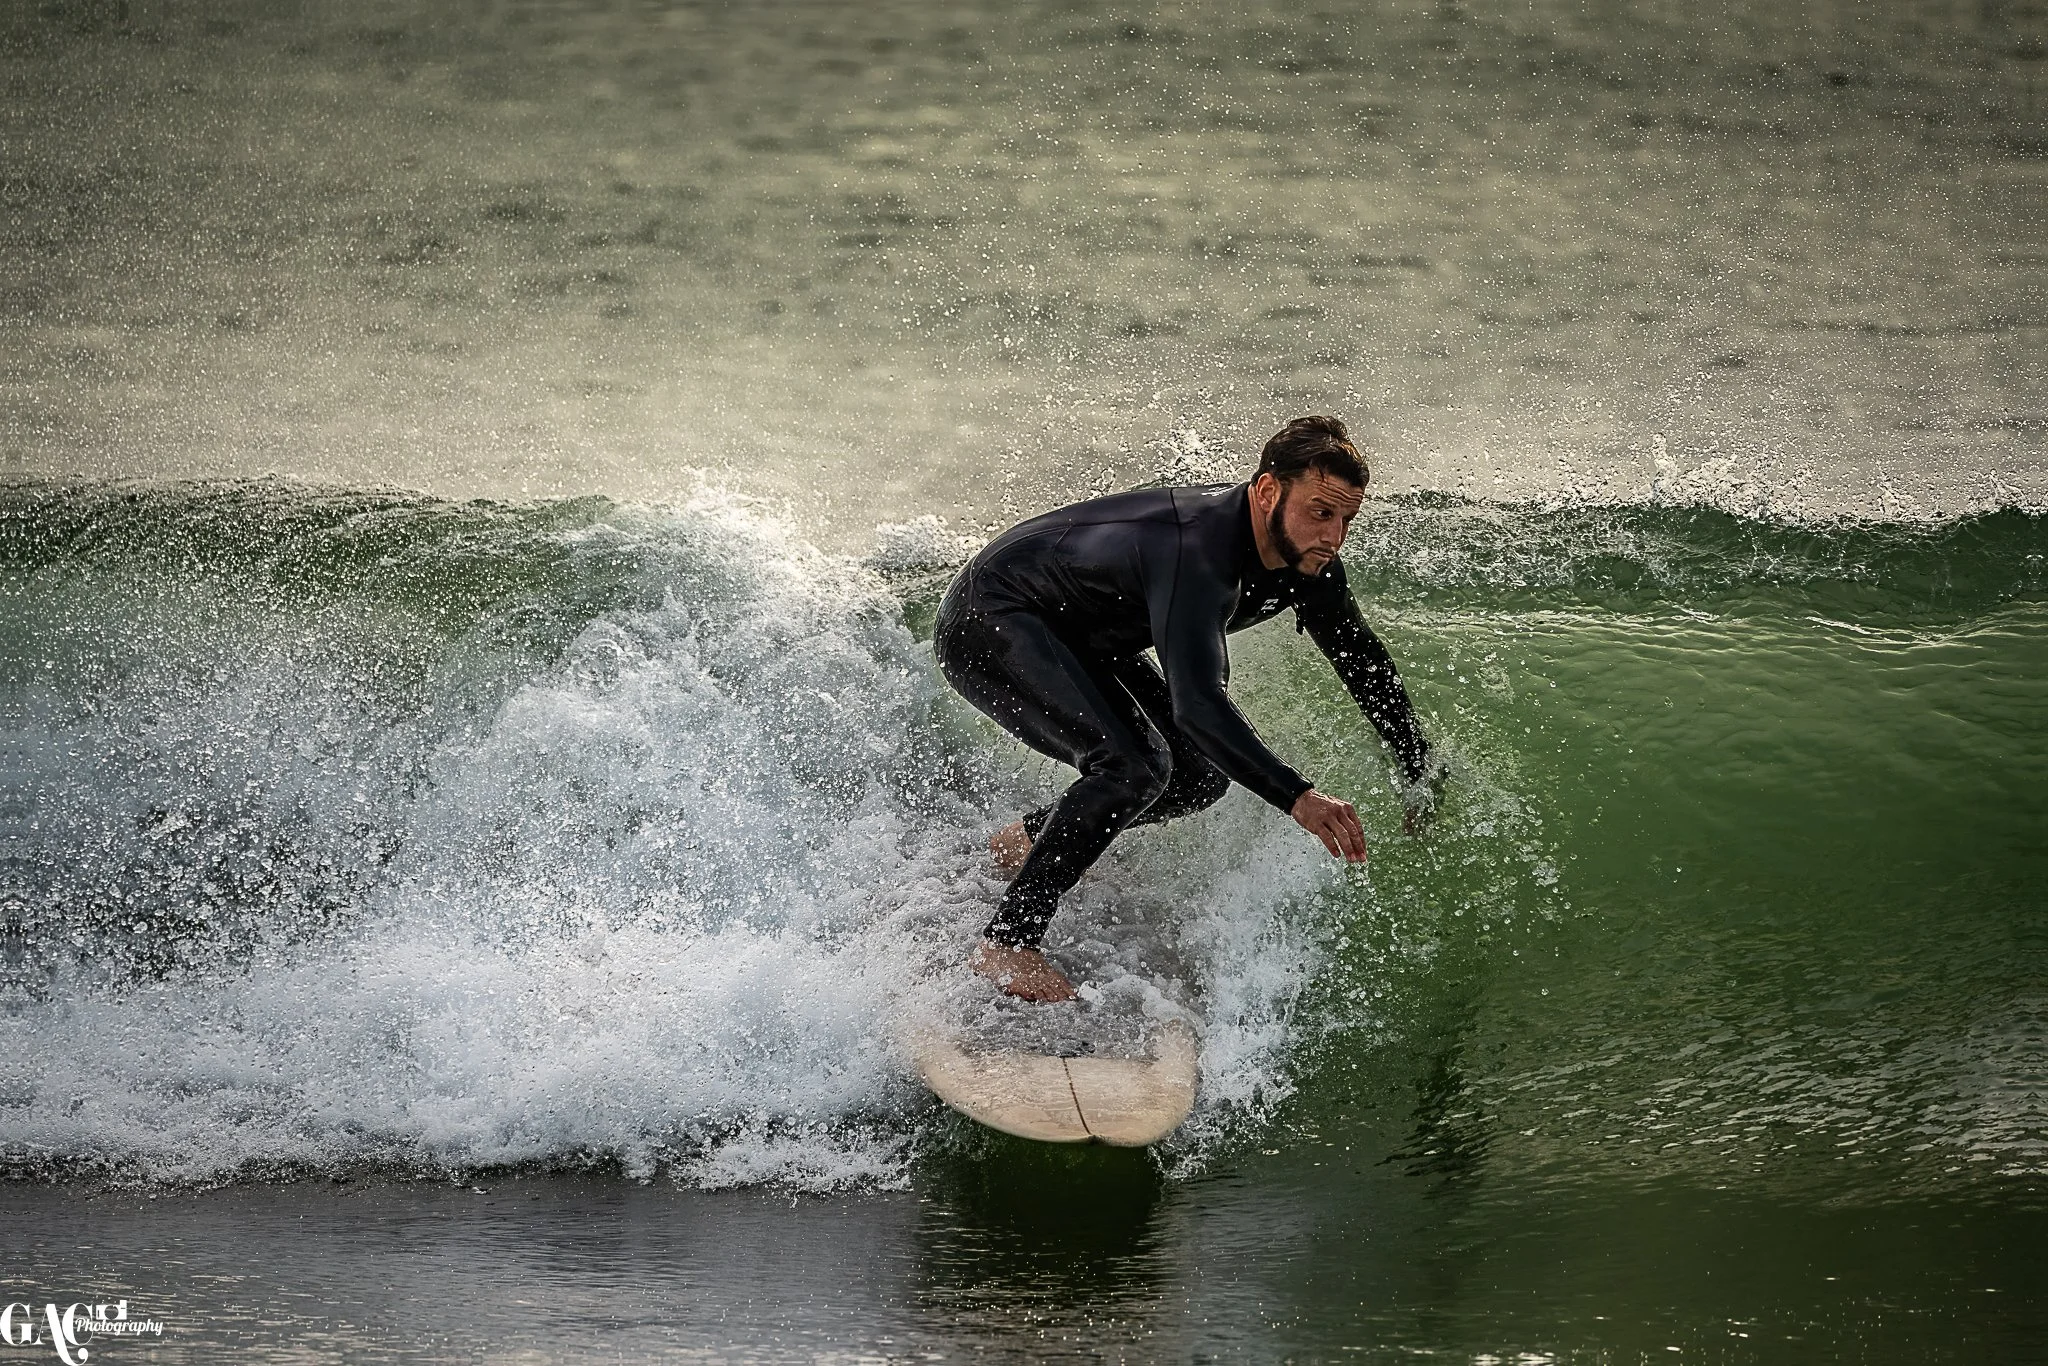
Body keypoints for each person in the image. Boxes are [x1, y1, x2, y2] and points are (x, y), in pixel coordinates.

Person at [933, 415, 1438, 1002]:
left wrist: (1415, 763)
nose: (1334, 535)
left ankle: (1025, 841)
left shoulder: (1308, 566)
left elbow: (1362, 660)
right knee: (1131, 766)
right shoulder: (1198, 549)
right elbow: (1198, 704)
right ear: (1268, 490)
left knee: (1198, 777)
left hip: (1083, 634)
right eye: (1321, 512)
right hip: (991, 616)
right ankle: (1007, 943)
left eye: (1347, 519)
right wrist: (1298, 796)